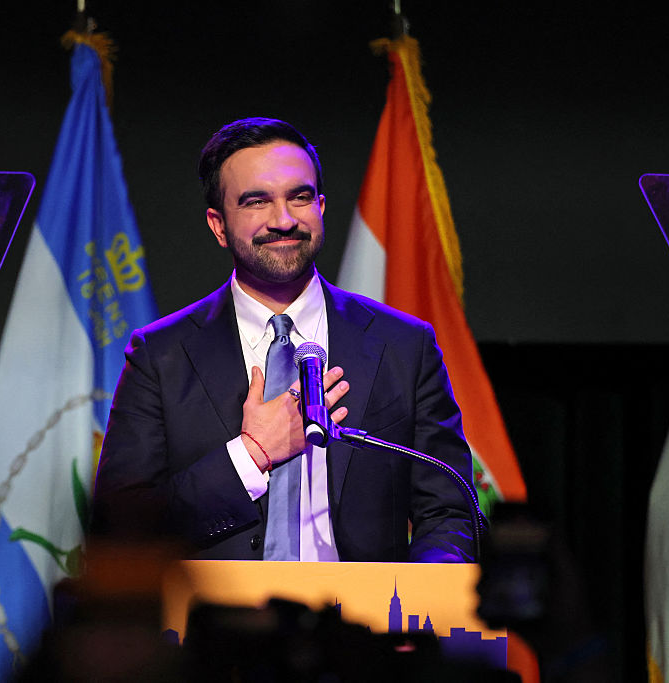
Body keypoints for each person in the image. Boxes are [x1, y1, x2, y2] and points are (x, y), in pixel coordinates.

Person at [91, 117, 475, 563]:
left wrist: (413, 609)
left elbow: (450, 512)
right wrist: (252, 454)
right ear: (218, 225)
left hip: (362, 625)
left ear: (322, 207)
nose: (285, 220)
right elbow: (122, 531)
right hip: (219, 626)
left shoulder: (404, 346)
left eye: (300, 197)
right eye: (257, 201)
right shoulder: (161, 356)